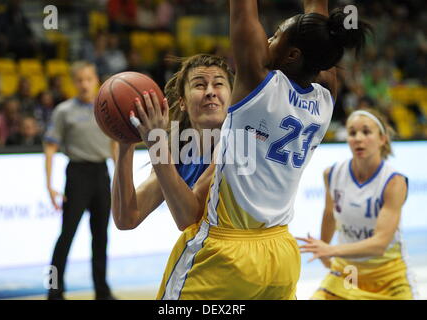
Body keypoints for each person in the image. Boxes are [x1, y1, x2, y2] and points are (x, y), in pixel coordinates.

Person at [129, 0, 371, 299]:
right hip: (280, 252)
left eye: (276, 36)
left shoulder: (258, 84)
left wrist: (154, 139)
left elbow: (245, 9)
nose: (268, 39)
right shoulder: (326, 98)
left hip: (227, 253)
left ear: (292, 54)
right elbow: (318, 27)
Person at [298, 109, 419, 300]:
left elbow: (379, 244)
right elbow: (329, 214)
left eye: (366, 132)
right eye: (352, 133)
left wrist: (330, 250)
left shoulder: (394, 182)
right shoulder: (332, 173)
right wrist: (323, 248)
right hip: (349, 271)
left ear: (382, 139)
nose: (358, 138)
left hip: (388, 275)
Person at [112, 53, 233, 230]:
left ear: (232, 97)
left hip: (250, 254)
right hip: (214, 253)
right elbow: (127, 218)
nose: (210, 92)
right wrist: (125, 144)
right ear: (182, 102)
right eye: (199, 85)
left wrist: (157, 144)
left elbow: (189, 219)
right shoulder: (178, 150)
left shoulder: (236, 142)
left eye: (219, 84)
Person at [43, 61, 117, 300]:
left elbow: (115, 144)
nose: (84, 84)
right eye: (80, 80)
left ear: (96, 80)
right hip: (77, 174)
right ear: (74, 82)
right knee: (66, 235)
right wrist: (49, 184)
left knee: (101, 236)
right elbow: (50, 147)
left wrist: (120, 178)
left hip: (101, 173)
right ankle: (54, 290)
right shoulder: (64, 111)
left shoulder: (106, 108)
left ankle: (101, 291)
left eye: (89, 79)